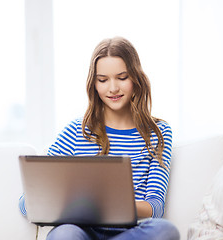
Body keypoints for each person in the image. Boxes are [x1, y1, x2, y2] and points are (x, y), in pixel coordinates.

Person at [19, 37, 180, 240]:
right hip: (79, 231)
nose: (112, 88)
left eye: (122, 77)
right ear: (94, 84)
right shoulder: (76, 131)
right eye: (103, 80)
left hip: (130, 233)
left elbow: (155, 207)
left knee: (165, 230)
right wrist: (74, 204)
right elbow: (27, 203)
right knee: (64, 235)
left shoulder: (159, 132)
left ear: (136, 78)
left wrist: (109, 204)